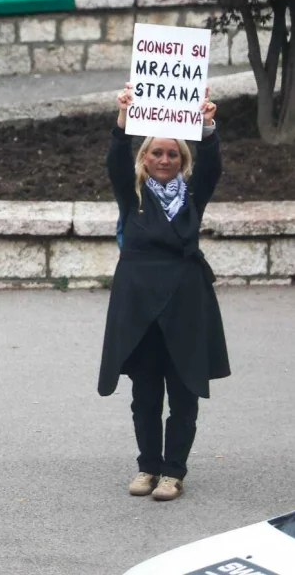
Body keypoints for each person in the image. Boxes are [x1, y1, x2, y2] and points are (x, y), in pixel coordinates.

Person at [98, 83, 226, 502]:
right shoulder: (130, 195)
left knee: (184, 389)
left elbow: (212, 168)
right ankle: (148, 465)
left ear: (182, 159)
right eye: (157, 152)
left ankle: (174, 472)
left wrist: (207, 126)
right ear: (145, 157)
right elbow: (115, 159)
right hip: (139, 308)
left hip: (186, 305)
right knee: (145, 393)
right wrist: (122, 117)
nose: (165, 159)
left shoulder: (192, 196)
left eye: (173, 154)